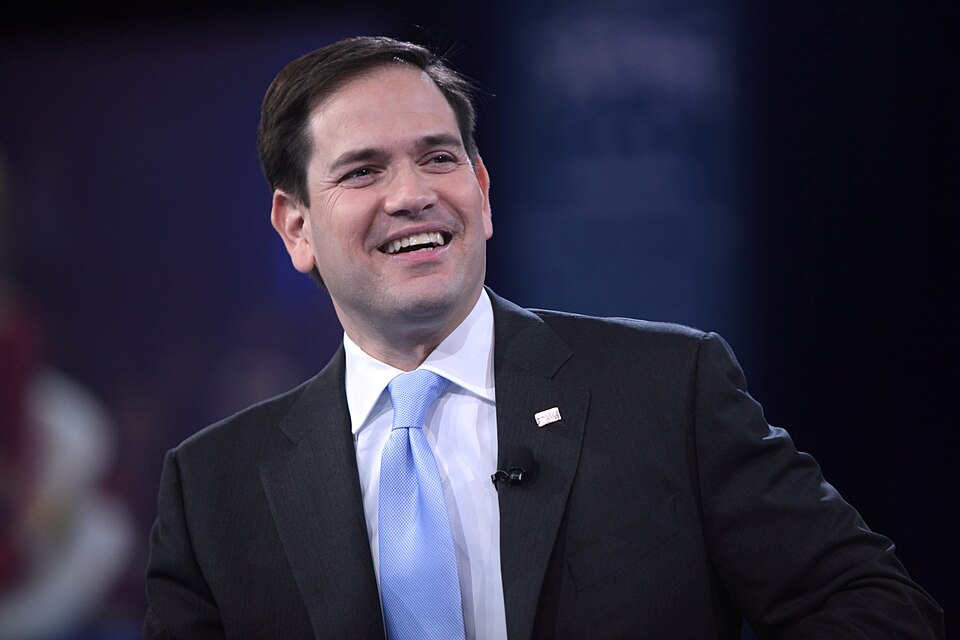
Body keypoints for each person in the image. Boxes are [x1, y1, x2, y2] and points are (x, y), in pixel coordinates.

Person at [143, 36, 944, 639]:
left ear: (482, 193)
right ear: (296, 227)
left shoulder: (668, 388)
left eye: (438, 158)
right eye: (363, 171)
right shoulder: (213, 488)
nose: (413, 194)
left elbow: (876, 607)